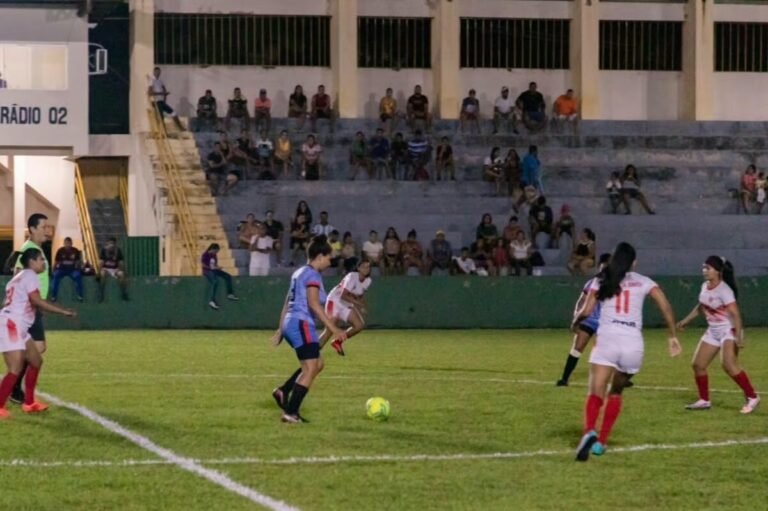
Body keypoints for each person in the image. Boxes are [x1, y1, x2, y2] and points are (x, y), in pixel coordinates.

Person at [572, 242, 681, 461]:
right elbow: (665, 306)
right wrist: (672, 336)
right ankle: (601, 443)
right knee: (616, 392)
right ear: (634, 263)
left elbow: (587, 310)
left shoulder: (602, 279)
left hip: (608, 339)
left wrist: (575, 321)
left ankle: (589, 431)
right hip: (633, 344)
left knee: (595, 391)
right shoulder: (644, 281)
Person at [270, 235, 348, 423]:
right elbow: (313, 304)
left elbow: (287, 301)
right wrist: (334, 328)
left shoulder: (299, 273)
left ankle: (284, 391)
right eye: (328, 257)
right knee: (311, 367)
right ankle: (290, 413)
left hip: (292, 323)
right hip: (301, 323)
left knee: (317, 364)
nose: (330, 261)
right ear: (319, 256)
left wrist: (281, 329)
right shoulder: (312, 275)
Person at [676, 256, 760, 414]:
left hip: (728, 330)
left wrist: (739, 336)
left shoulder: (724, 290)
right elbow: (701, 306)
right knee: (698, 365)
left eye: (708, 268)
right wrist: (685, 321)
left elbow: (736, 315)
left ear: (718, 271)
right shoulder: (704, 286)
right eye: (704, 267)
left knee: (729, 365)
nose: (704, 271)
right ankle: (704, 401)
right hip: (713, 331)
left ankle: (752, 397)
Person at [0, 248, 77, 418]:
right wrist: (63, 311)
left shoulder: (18, 277)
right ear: (32, 261)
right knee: (15, 368)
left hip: (16, 324)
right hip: (12, 325)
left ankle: (29, 403)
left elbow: (14, 302)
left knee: (36, 361)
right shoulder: (30, 275)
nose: (44, 262)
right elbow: (37, 300)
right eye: (41, 259)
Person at [9, 213, 51, 405]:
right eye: (43, 227)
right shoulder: (28, 250)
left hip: (34, 306)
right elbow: (18, 275)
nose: (47, 231)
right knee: (36, 348)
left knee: (37, 347)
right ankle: (15, 388)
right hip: (29, 307)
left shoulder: (36, 249)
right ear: (32, 229)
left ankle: (15, 387)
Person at [556, 253, 612, 387]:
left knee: (607, 351)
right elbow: (582, 300)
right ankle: (564, 378)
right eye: (603, 265)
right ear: (600, 266)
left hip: (605, 322)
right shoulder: (592, 283)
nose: (605, 268)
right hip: (589, 320)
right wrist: (576, 315)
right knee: (577, 348)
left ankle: (620, 378)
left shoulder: (614, 284)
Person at [321, 259, 373, 356]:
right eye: (363, 267)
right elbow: (343, 295)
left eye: (368, 267)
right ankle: (313, 352)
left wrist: (363, 305)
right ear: (358, 268)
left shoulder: (368, 281)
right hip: (334, 301)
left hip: (346, 304)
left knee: (359, 326)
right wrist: (358, 304)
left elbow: (360, 295)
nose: (366, 269)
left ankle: (338, 342)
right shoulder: (352, 276)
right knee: (329, 330)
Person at [202, 243, 238, 310]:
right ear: (212, 249)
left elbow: (214, 264)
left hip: (214, 270)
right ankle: (212, 300)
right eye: (216, 251)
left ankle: (230, 294)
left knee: (227, 276)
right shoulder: (205, 254)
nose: (216, 253)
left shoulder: (214, 255)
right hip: (207, 271)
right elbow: (203, 265)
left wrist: (217, 267)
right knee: (215, 281)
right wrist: (211, 268)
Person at [50, 237, 84, 302]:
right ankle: (53, 296)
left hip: (72, 270)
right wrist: (53, 270)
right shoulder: (60, 250)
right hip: (62, 269)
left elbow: (78, 261)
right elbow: (56, 262)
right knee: (56, 276)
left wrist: (78, 266)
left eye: (69, 243)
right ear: (64, 243)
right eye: (66, 243)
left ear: (71, 243)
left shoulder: (75, 250)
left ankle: (80, 296)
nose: (67, 245)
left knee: (78, 276)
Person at [98, 237, 128, 302]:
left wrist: (123, 271)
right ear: (107, 243)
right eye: (110, 243)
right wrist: (98, 272)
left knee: (121, 274)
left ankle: (124, 293)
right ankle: (101, 294)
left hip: (115, 269)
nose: (111, 245)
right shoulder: (104, 250)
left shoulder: (118, 250)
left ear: (115, 244)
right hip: (106, 268)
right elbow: (101, 262)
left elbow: (121, 262)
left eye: (113, 243)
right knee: (102, 274)